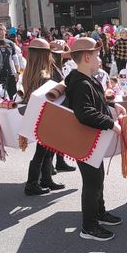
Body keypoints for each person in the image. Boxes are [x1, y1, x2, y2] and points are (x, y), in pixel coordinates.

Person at [65, 37, 126, 241]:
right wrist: (111, 123)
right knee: (92, 183)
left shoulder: (87, 80)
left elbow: (96, 104)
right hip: (85, 141)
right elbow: (85, 113)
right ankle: (89, 227)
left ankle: (99, 213)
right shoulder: (81, 84)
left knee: (97, 179)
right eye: (98, 55)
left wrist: (112, 106)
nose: (100, 58)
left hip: (91, 140)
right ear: (87, 57)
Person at [20, 39, 66, 195]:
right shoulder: (44, 75)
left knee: (46, 150)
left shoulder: (30, 71)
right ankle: (32, 184)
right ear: (44, 54)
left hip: (39, 115)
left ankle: (46, 179)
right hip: (46, 115)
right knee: (42, 152)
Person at [49, 40, 77, 173]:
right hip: (53, 103)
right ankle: (50, 165)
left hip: (61, 103)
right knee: (52, 137)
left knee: (60, 136)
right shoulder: (50, 67)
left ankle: (60, 161)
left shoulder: (62, 66)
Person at [0, 23, 20, 98]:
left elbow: (15, 58)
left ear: (5, 31)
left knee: (13, 97)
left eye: (1, 29)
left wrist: (17, 72)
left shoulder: (10, 43)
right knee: (0, 98)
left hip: (10, 74)